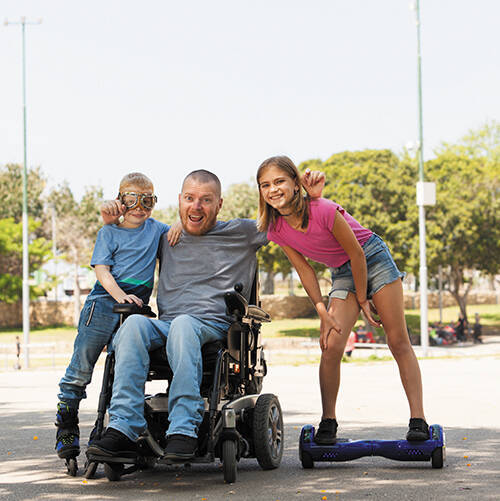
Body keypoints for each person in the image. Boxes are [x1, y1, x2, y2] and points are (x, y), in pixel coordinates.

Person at [88, 169, 324, 460]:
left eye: (205, 200)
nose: (196, 206)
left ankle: (184, 429)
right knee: (134, 325)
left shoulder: (243, 232)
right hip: (168, 325)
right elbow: (127, 236)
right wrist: (110, 218)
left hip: (213, 326)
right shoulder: (165, 235)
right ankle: (124, 427)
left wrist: (311, 199)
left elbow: (294, 222)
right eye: (189, 199)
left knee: (184, 325)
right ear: (179, 201)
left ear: (220, 204)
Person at [256, 155, 429, 443]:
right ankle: (329, 421)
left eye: (279, 181)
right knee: (331, 345)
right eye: (265, 185)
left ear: (296, 183)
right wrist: (322, 310)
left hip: (372, 257)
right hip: (343, 270)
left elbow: (358, 254)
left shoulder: (323, 209)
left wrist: (363, 299)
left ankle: (418, 418)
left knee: (397, 340)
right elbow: (304, 270)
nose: (272, 189)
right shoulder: (275, 228)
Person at [54, 172, 178, 461]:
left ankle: (115, 429)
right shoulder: (108, 232)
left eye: (147, 200)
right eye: (132, 198)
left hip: (134, 312)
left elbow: (179, 232)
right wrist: (119, 295)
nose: (139, 206)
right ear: (120, 200)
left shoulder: (157, 229)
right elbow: (102, 270)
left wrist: (183, 222)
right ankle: (67, 423)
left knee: (122, 368)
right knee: (82, 366)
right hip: (103, 304)